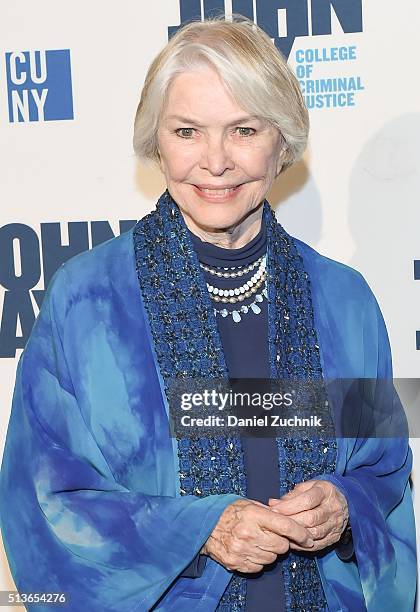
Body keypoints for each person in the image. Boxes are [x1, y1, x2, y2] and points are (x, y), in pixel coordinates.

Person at [0, 15, 416, 612]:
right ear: (156, 140)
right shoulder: (85, 303)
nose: (215, 162)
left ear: (283, 143)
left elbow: (384, 475)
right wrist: (199, 531)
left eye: (243, 129)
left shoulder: (344, 303)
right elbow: (47, 500)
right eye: (188, 130)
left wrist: (346, 508)